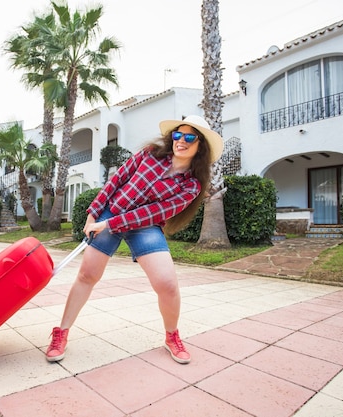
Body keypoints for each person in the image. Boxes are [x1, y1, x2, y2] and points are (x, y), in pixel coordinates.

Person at [45, 115, 224, 364]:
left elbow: (151, 213)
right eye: (177, 135)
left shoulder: (191, 186)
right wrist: (93, 214)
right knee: (88, 275)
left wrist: (108, 224)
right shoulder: (150, 153)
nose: (181, 141)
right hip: (111, 212)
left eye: (190, 137)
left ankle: (172, 336)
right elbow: (116, 181)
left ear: (200, 146)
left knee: (167, 284)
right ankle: (61, 332)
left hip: (145, 225)